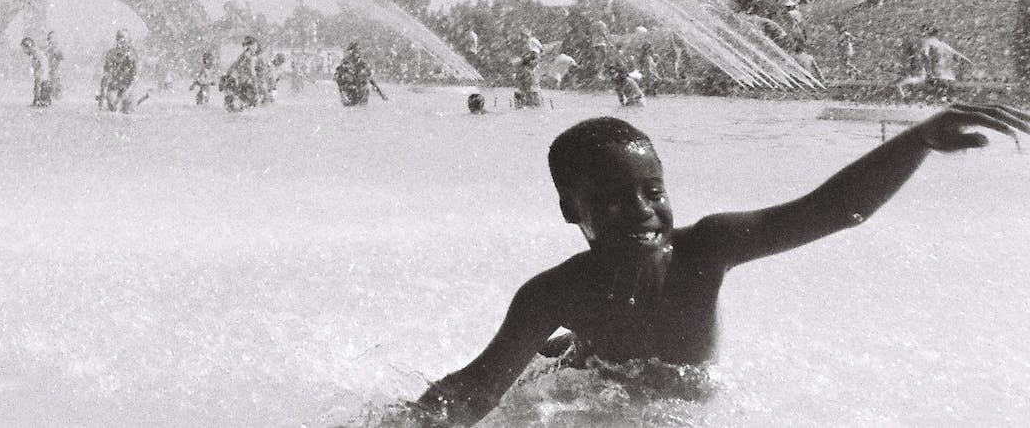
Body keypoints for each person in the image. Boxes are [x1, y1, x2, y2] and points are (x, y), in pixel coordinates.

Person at [383, 106, 1030, 426]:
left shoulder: (706, 251)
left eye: (653, 189)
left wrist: (917, 139)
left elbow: (837, 209)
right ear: (569, 209)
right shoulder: (555, 292)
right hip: (591, 391)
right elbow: (475, 389)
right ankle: (564, 352)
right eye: (610, 198)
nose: (641, 209)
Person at [219, 37, 267, 112]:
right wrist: (255, 84)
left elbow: (235, 65)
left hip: (243, 81)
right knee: (250, 103)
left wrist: (227, 75)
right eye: (254, 45)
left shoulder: (248, 56)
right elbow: (250, 71)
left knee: (246, 103)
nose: (255, 47)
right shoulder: (248, 56)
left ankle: (237, 110)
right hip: (244, 82)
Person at [98, 30, 139, 112]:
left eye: (125, 37)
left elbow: (135, 75)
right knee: (113, 108)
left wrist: (129, 89)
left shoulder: (132, 54)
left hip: (127, 86)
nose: (122, 39)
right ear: (117, 39)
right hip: (113, 86)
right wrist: (102, 93)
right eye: (120, 37)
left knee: (128, 111)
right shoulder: (111, 53)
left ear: (129, 40)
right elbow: (106, 74)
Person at [335, 42, 381, 106]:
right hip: (350, 92)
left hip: (358, 92)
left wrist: (380, 93)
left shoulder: (362, 63)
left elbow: (370, 79)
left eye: (358, 50)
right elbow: (338, 78)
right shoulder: (345, 63)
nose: (357, 53)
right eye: (355, 50)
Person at [20, 36, 54, 107]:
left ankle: (39, 102)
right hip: (46, 79)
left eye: (24, 49)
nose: (24, 51)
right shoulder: (37, 52)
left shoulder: (36, 54)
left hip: (42, 80)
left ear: (28, 47)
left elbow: (40, 68)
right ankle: (42, 102)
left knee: (41, 102)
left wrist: (37, 76)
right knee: (45, 101)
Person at [44, 31, 65, 99]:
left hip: (55, 72)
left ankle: (57, 98)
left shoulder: (57, 50)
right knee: (49, 87)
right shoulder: (47, 50)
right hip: (48, 72)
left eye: (52, 38)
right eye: (49, 38)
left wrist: (54, 67)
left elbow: (60, 61)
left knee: (56, 86)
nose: (51, 40)